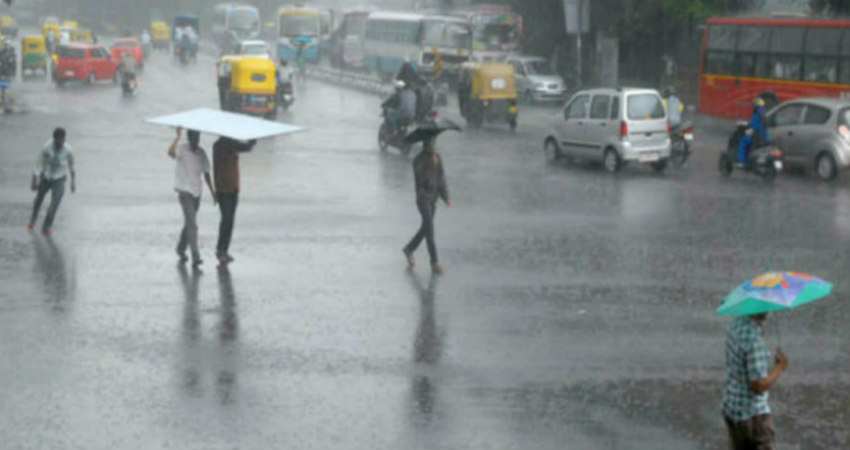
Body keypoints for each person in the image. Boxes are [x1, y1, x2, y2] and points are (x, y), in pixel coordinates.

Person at [723, 312, 789, 450]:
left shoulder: (736, 324)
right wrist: (779, 368)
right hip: (753, 417)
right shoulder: (754, 341)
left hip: (733, 408)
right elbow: (758, 385)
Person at [403, 138, 452, 275]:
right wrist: (429, 163)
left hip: (433, 200)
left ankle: (409, 248)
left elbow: (441, 179)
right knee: (430, 231)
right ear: (425, 144)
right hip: (423, 199)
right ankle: (435, 262)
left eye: (434, 143)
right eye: (430, 144)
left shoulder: (437, 158)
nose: (432, 146)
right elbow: (420, 179)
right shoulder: (419, 160)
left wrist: (446, 197)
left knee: (425, 228)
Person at [168, 127, 215, 266]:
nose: (196, 139)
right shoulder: (182, 149)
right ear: (189, 137)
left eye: (198, 137)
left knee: (189, 223)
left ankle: (180, 248)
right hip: (184, 192)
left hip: (196, 193)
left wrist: (213, 192)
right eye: (194, 137)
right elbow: (170, 153)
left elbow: (206, 173)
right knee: (193, 225)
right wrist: (177, 137)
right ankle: (196, 256)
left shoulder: (201, 153)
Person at [212, 136, 256, 264]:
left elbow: (246, 148)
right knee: (227, 219)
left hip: (233, 188)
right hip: (223, 189)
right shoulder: (219, 145)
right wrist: (249, 144)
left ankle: (223, 250)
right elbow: (243, 148)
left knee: (229, 220)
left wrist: (251, 142)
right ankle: (221, 250)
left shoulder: (231, 144)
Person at [28, 127, 75, 236]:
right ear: (54, 140)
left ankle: (47, 225)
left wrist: (73, 182)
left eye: (61, 141)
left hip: (59, 178)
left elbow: (71, 166)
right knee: (38, 200)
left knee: (54, 203)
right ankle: (33, 220)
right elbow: (39, 162)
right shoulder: (47, 147)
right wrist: (34, 179)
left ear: (64, 139)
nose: (59, 143)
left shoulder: (68, 150)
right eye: (57, 141)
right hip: (46, 176)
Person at [738, 98, 770, 165]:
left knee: (743, 141)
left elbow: (755, 124)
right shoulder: (762, 112)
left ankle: (741, 161)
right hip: (764, 137)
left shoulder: (759, 110)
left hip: (757, 136)